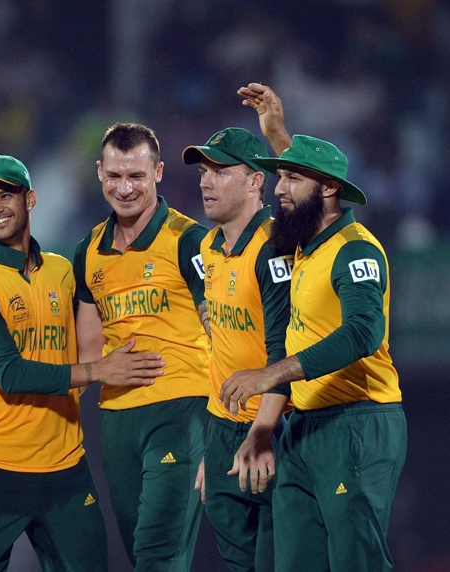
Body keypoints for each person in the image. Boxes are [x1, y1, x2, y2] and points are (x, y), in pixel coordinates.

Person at [0, 154, 166, 571]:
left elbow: (96, 331)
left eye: (6, 195)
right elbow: (9, 374)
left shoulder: (64, 272)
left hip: (64, 468)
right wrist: (98, 371)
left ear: (30, 199)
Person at [220, 89, 406, 571]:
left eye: (291, 179)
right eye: (279, 176)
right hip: (303, 427)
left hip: (357, 423)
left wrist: (270, 375)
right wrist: (279, 135)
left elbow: (365, 332)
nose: (279, 188)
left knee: (355, 563)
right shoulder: (306, 242)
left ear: (327, 190)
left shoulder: (355, 251)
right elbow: (305, 179)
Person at [73, 123, 210, 570]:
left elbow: (223, 327)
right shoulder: (87, 252)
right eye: (115, 176)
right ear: (99, 173)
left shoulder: (189, 240)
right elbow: (89, 351)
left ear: (159, 173)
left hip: (181, 409)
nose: (125, 188)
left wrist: (232, 426)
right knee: (138, 552)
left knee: (157, 553)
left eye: (136, 176)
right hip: (116, 422)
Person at [182, 127, 293, 572]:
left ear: (254, 183)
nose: (206, 181)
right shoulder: (209, 246)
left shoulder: (273, 250)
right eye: (204, 171)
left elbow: (284, 353)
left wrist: (259, 434)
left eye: (220, 171)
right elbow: (221, 341)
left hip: (271, 432)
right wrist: (215, 445)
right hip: (223, 433)